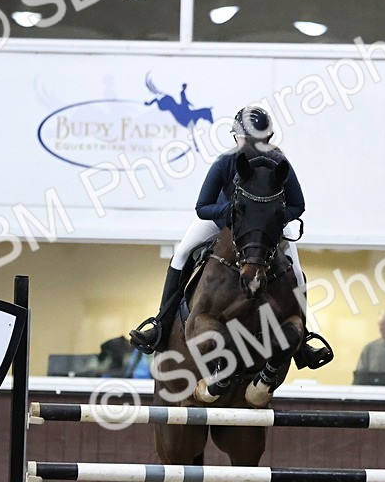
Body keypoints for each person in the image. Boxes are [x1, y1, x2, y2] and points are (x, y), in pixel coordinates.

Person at [127, 106, 332, 369]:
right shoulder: (226, 162)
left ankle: (301, 340)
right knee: (182, 253)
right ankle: (161, 324)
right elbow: (202, 207)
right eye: (249, 138)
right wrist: (233, 213)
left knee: (298, 271)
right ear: (239, 137)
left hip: (267, 229)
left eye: (258, 139)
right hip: (222, 221)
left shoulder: (281, 163)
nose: (252, 144)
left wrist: (269, 220)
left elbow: (298, 205)